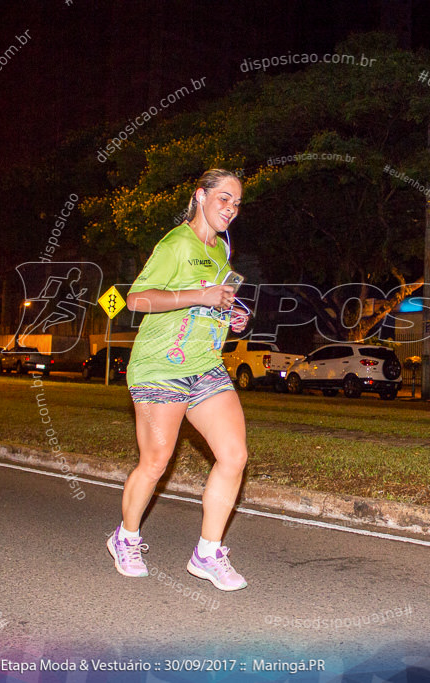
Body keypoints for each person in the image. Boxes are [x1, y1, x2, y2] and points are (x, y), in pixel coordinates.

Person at [107, 169, 250, 591]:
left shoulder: (221, 253)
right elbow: (136, 299)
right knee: (155, 461)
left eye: (237, 203)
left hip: (205, 364)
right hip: (160, 367)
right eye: (223, 198)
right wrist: (201, 296)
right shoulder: (176, 243)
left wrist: (230, 313)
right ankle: (125, 537)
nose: (230, 209)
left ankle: (208, 551)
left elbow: (211, 303)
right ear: (200, 196)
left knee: (234, 455)